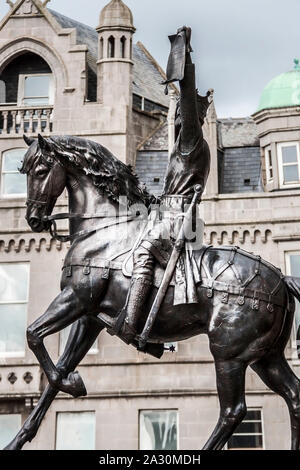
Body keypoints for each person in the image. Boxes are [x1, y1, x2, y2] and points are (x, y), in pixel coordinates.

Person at [120, 26, 212, 345]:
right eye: (174, 119)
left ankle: (131, 326)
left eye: (181, 119)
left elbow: (186, 103)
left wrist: (185, 58)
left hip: (177, 221)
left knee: (144, 252)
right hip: (165, 214)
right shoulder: (180, 148)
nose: (175, 122)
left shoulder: (192, 143)